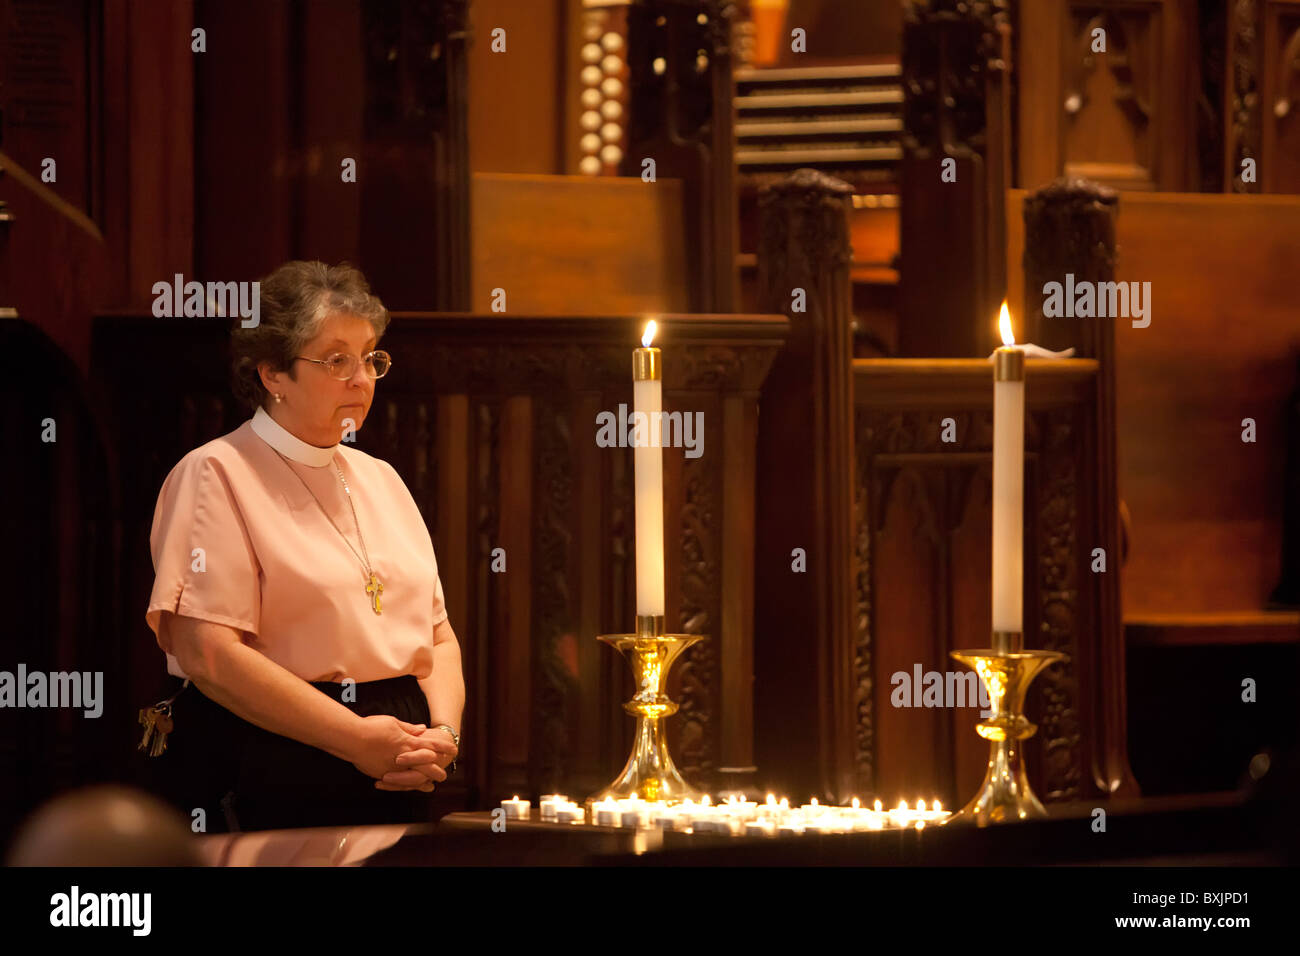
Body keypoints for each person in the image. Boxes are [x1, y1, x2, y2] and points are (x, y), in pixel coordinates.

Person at [142, 260, 464, 832]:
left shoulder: (381, 478)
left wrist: (442, 735)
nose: (361, 377)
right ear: (272, 373)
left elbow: (436, 635)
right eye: (336, 359)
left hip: (402, 764)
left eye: (370, 357)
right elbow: (208, 654)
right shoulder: (216, 473)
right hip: (278, 762)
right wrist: (355, 738)